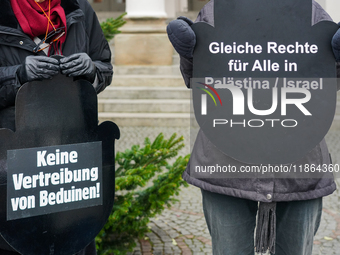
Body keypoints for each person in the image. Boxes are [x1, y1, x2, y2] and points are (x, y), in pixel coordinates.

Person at [167, 1, 340, 254]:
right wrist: (190, 54)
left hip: (298, 164)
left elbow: (325, 88)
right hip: (226, 162)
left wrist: (336, 62)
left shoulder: (309, 10)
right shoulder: (217, 10)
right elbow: (201, 83)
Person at [0, 0, 113, 254]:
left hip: (70, 162)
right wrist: (17, 74)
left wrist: (92, 70)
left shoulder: (79, 8)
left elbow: (105, 65)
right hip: (15, 163)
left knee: (71, 239)